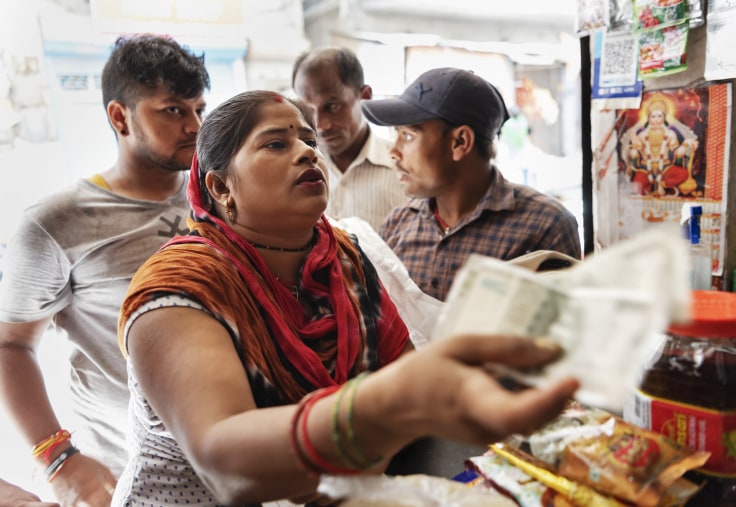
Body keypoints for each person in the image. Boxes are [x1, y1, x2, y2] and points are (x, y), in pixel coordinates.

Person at [111, 90, 580, 506]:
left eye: (309, 142)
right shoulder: (180, 285)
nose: (306, 154)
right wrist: (399, 400)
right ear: (219, 187)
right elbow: (229, 467)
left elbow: (408, 387)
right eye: (277, 143)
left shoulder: (346, 259)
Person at [0, 34, 209, 506]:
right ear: (120, 117)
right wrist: (56, 456)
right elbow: (11, 345)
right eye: (173, 110)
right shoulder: (56, 222)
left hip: (229, 462)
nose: (195, 125)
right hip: (128, 475)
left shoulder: (219, 196)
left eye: (199, 108)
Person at [361, 67, 582, 301]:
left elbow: (560, 332)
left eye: (408, 136)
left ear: (460, 142)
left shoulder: (544, 226)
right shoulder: (397, 226)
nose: (394, 151)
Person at [292, 47, 407, 230]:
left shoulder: (406, 171)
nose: (320, 125)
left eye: (333, 106)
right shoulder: (294, 172)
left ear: (365, 96)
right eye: (308, 111)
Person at [625, 97, 699, 197]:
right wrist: (634, 148)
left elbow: (676, 151)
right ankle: (649, 192)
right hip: (645, 168)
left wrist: (685, 144)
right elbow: (636, 150)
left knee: (683, 174)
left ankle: (662, 185)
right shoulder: (642, 135)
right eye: (653, 116)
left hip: (665, 167)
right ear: (648, 118)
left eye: (659, 116)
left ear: (664, 117)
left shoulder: (670, 134)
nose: (657, 120)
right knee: (637, 186)